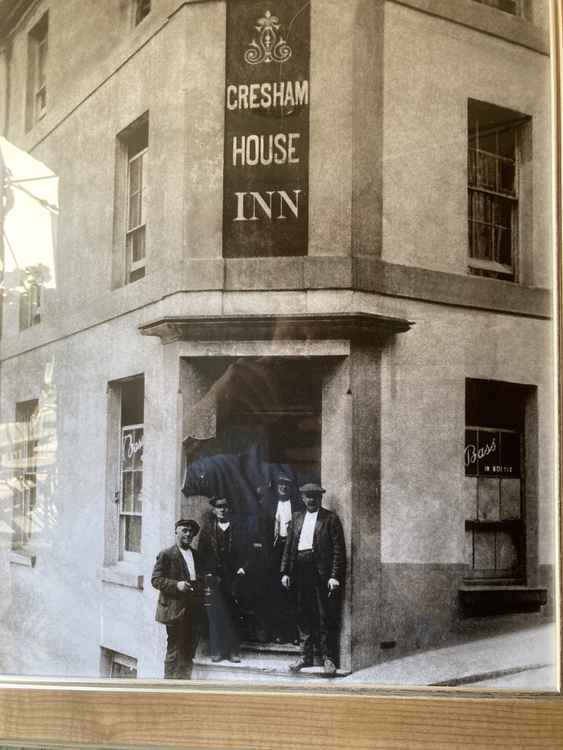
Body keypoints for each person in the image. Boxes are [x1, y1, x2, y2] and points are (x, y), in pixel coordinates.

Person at [280, 483, 345, 677]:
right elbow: (289, 547)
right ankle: (305, 657)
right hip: (300, 570)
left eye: (315, 495)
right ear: (302, 497)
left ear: (320, 497)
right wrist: (285, 571)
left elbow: (338, 551)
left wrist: (334, 576)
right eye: (308, 496)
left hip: (321, 573)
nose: (311, 499)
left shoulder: (330, 519)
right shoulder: (297, 518)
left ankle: (329, 659)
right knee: (303, 615)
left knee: (324, 615)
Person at [151, 518, 203, 679]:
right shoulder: (166, 554)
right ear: (176, 532)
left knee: (189, 649)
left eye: (191, 532)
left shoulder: (195, 554)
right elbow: (156, 580)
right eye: (184, 531)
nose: (188, 534)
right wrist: (177, 585)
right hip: (175, 609)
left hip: (192, 608)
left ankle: (184, 683)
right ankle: (169, 685)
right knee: (175, 649)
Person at [198, 496, 247, 663]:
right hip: (214, 578)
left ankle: (233, 651)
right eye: (219, 507)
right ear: (214, 510)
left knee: (233, 613)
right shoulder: (207, 530)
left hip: (233, 577)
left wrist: (243, 568)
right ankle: (217, 650)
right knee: (215, 614)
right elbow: (201, 555)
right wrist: (206, 573)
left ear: (229, 509)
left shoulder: (238, 529)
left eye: (225, 506)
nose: (222, 509)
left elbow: (248, 552)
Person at [268, 473, 299, 644]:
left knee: (292, 592)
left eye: (287, 484)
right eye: (280, 484)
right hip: (275, 551)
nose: (283, 487)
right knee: (276, 592)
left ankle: (294, 634)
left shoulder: (297, 506)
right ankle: (279, 632)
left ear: (291, 487)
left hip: (292, 550)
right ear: (276, 486)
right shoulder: (269, 505)